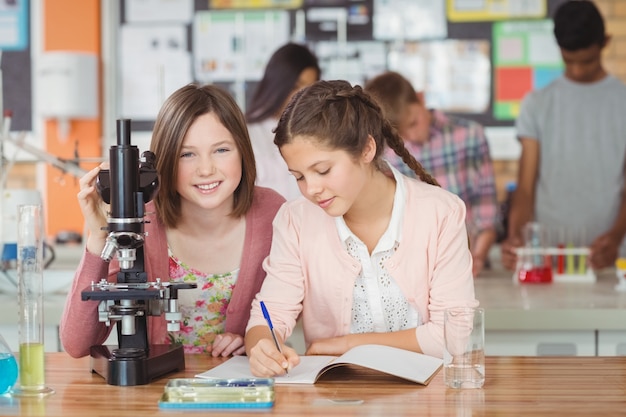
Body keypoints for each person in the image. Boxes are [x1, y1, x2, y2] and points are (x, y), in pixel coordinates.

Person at [244, 79, 478, 377]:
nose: (312, 189)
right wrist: (263, 346)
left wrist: (345, 345)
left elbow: (453, 334)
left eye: (323, 170)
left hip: (428, 398)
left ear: (367, 148)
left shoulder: (441, 212)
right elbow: (269, 315)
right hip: (336, 398)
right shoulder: (295, 220)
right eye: (298, 177)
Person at [59, 83, 286, 358]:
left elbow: (285, 310)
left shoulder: (272, 213)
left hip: (237, 387)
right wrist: (98, 239)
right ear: (165, 160)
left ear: (243, 150)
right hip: (153, 394)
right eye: (187, 154)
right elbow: (76, 344)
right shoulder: (139, 217)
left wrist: (253, 338)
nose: (206, 169)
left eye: (222, 150)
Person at [501, 0, 626, 271]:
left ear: (605, 42)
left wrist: (615, 237)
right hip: (549, 260)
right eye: (569, 61)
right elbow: (525, 187)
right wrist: (515, 237)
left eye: (587, 61)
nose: (578, 71)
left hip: (611, 261)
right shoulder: (537, 103)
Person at [365, 71, 499, 276]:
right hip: (412, 272)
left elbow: (485, 208)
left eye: (413, 123)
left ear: (420, 98)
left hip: (471, 264)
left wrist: (476, 258)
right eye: (400, 134)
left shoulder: (470, 135)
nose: (411, 137)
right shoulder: (383, 156)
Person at [246, 42, 321, 201]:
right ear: (277, 85)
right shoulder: (246, 133)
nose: (302, 96)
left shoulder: (319, 134)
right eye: (295, 86)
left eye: (309, 89)